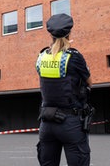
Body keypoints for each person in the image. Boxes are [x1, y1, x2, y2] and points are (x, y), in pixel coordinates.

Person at [35, 13, 93, 166]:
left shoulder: (41, 57)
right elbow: (90, 82)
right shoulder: (74, 56)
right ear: (69, 33)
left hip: (46, 122)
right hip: (70, 122)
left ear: (50, 34)